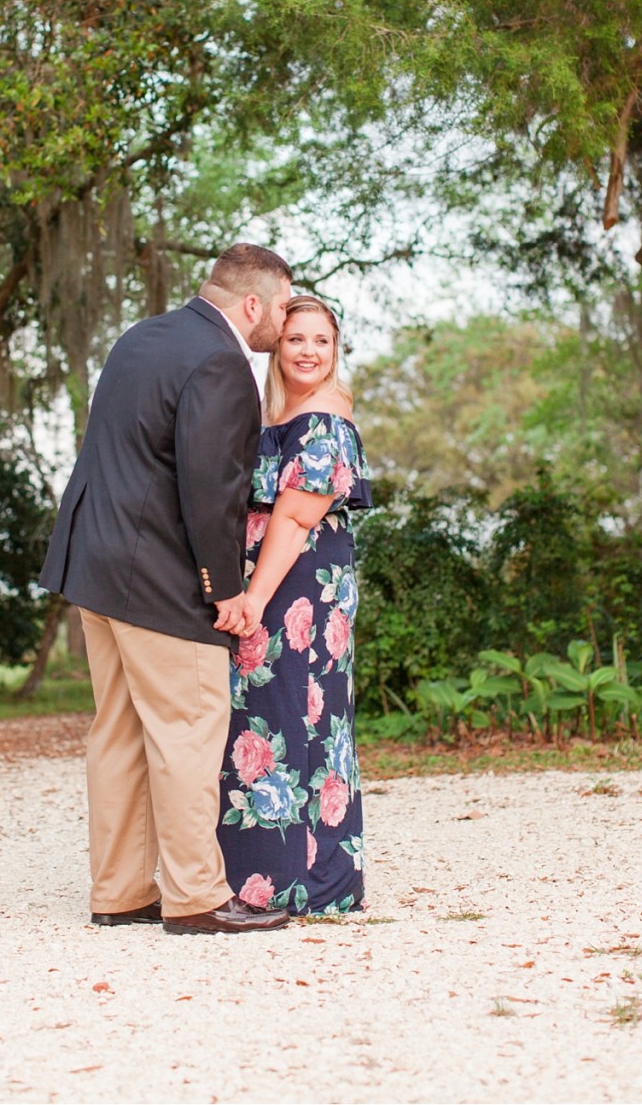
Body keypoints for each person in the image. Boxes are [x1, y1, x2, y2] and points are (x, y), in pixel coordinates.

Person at [37, 244, 294, 934]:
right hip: (158, 578)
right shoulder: (221, 361)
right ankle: (197, 897)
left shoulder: (142, 336)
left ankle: (119, 891)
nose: (283, 320)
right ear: (251, 305)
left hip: (94, 565)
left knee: (117, 732)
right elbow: (209, 490)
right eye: (281, 306)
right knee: (187, 730)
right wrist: (223, 589)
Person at [214, 294, 373, 913]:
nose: (308, 351)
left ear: (335, 353)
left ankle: (302, 883)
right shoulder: (276, 415)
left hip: (297, 584)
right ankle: (257, 878)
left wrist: (255, 597)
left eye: (321, 341)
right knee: (261, 718)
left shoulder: (326, 418)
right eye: (294, 339)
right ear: (275, 348)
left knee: (296, 716)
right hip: (267, 581)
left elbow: (298, 514)